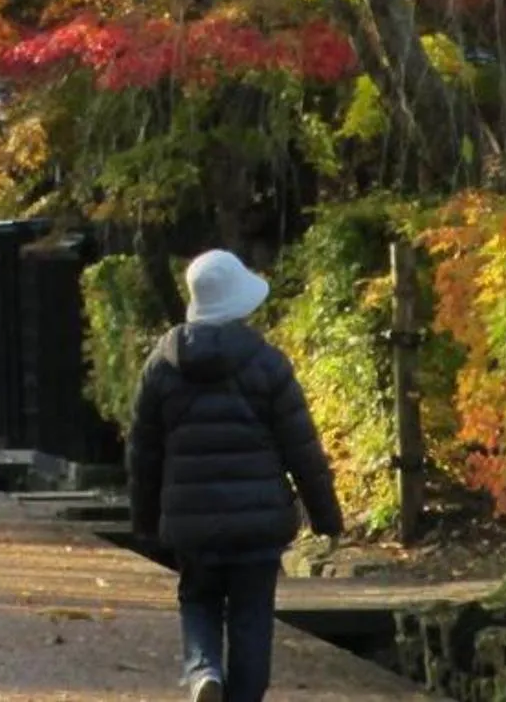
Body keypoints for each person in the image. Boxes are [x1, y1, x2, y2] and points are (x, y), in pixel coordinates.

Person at [128, 250, 344, 702]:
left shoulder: (161, 368)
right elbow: (301, 447)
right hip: (258, 522)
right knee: (251, 614)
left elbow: (144, 454)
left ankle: (204, 669)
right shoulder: (268, 364)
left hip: (192, 521)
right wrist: (326, 515)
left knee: (199, 600)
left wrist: (145, 522)